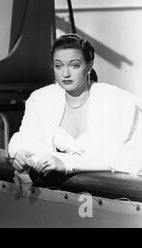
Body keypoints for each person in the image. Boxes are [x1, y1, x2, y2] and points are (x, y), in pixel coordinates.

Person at [8, 34, 142, 176]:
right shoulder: (41, 100)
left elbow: (125, 160)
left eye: (75, 65)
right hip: (54, 190)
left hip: (111, 191)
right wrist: (22, 155)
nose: (65, 74)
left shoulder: (117, 102)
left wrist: (65, 163)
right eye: (58, 66)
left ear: (89, 66)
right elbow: (24, 140)